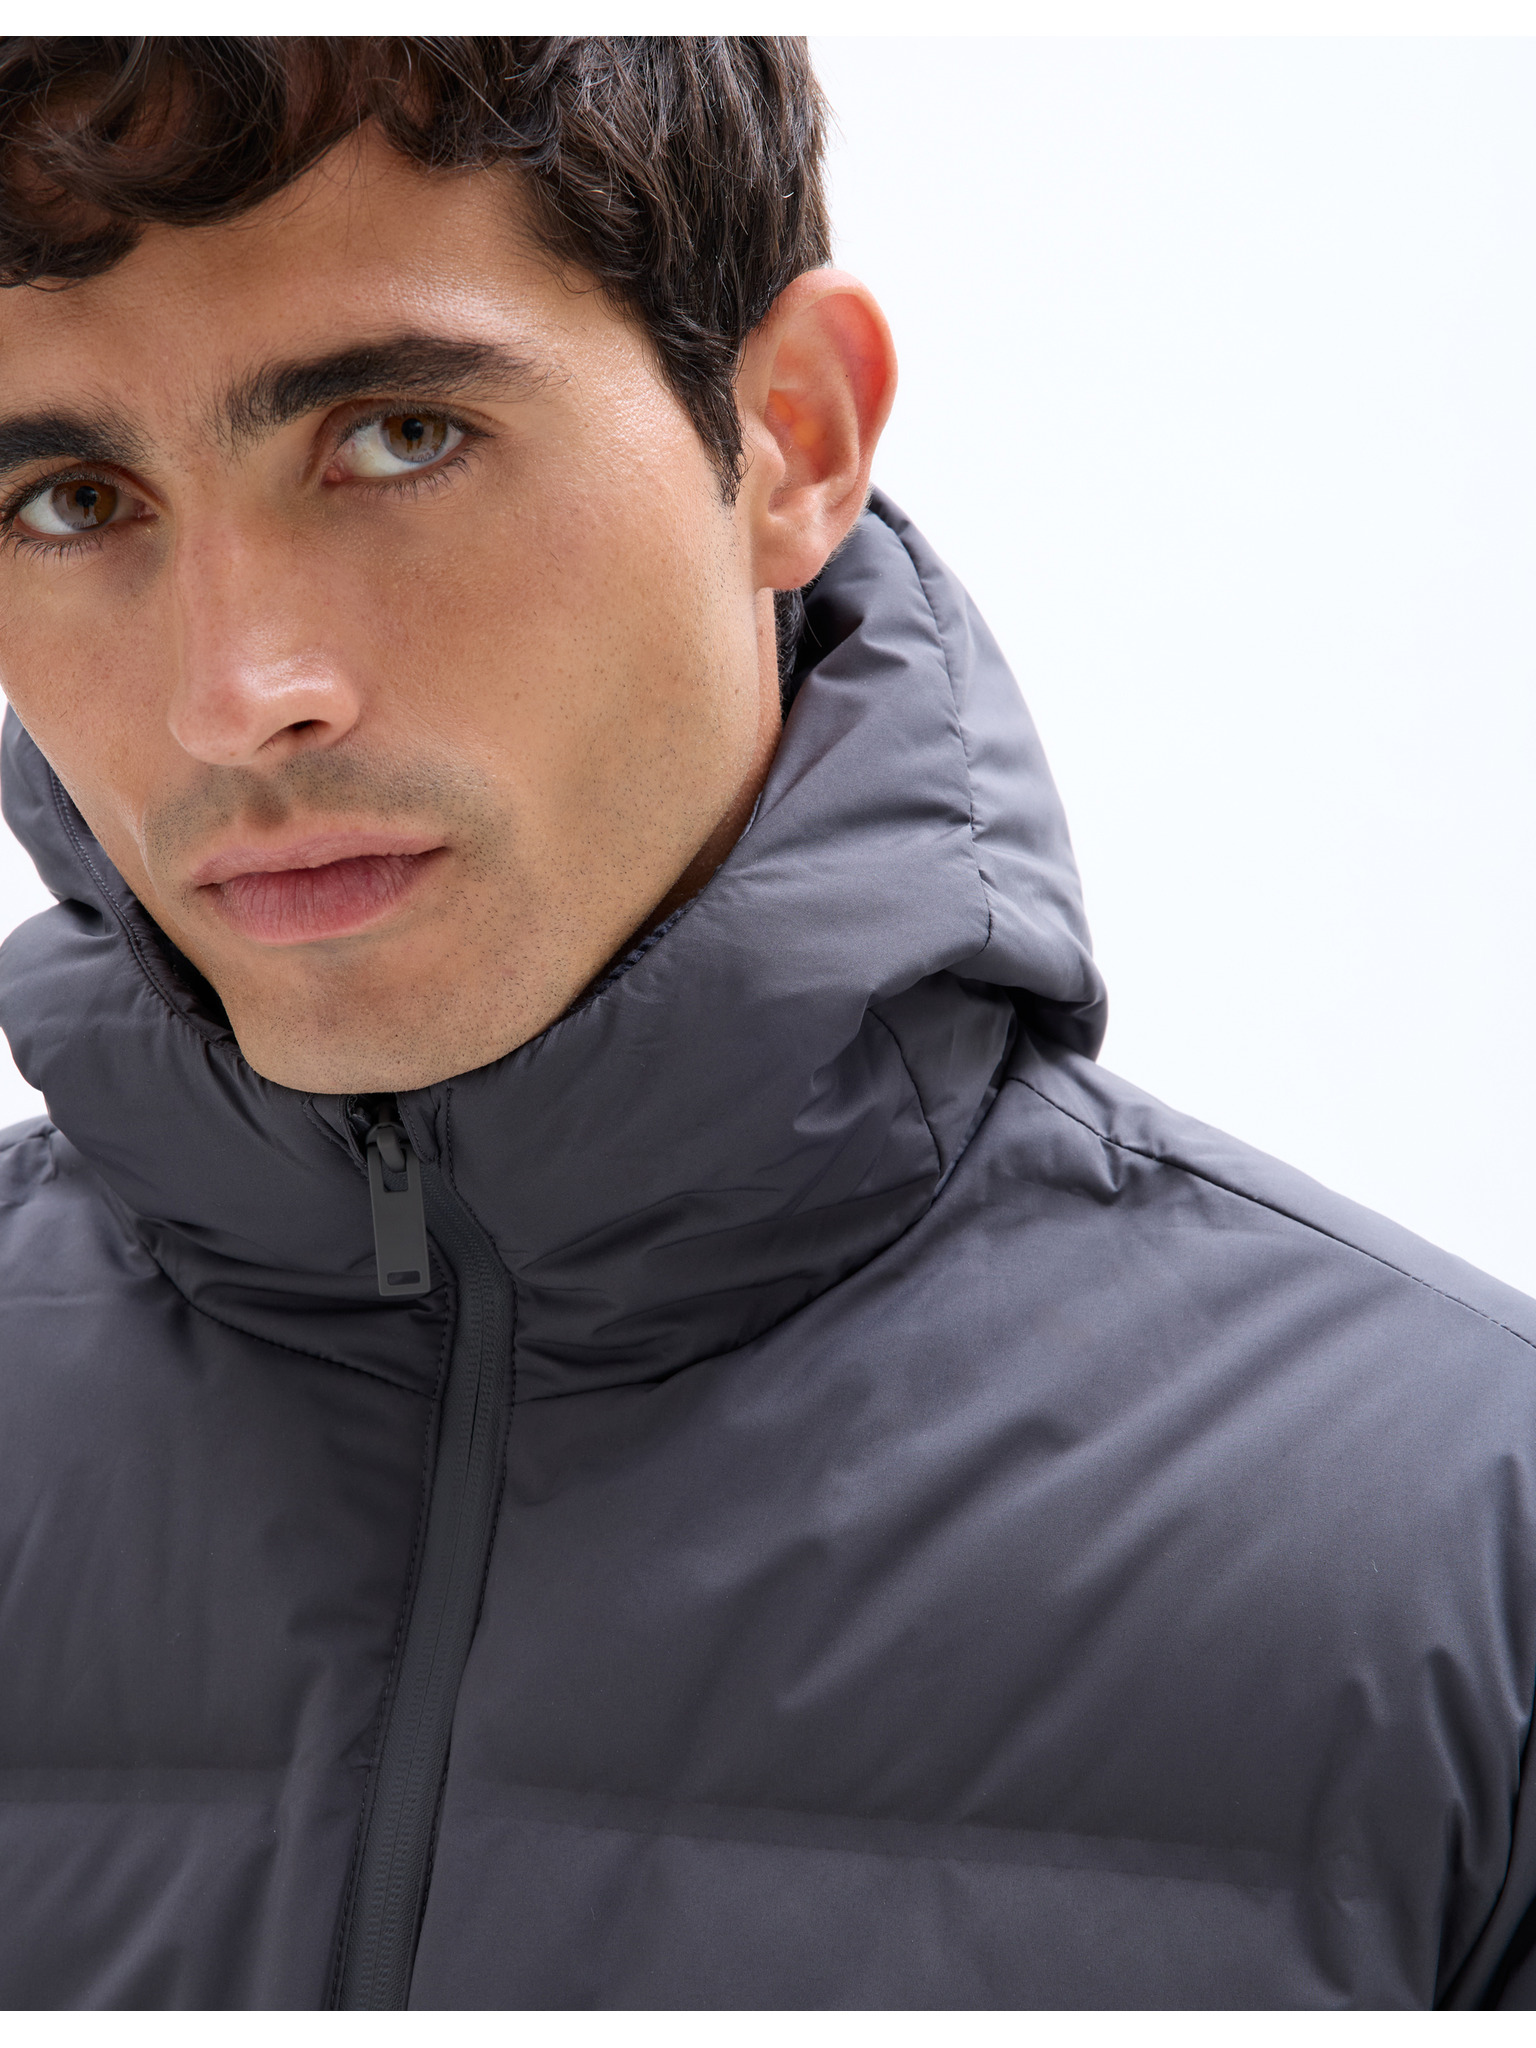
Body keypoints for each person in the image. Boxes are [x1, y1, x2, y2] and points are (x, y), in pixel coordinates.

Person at [0, 34, 1532, 2013]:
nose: (240, 693)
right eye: (69, 500)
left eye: (398, 435)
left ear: (794, 437)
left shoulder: (1470, 1558)